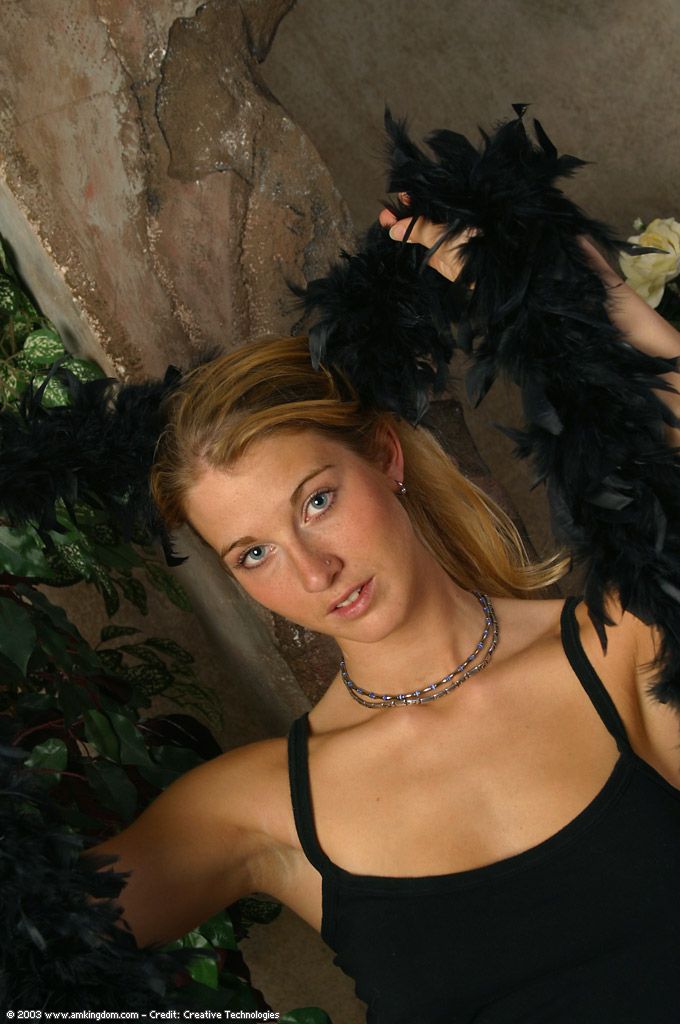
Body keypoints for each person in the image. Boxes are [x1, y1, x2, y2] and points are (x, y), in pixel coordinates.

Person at [91, 196, 680, 1021]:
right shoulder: (259, 805)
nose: (314, 570)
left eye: (317, 501)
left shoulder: (618, 647)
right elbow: (35, 949)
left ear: (385, 458)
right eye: (254, 554)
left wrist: (606, 321)